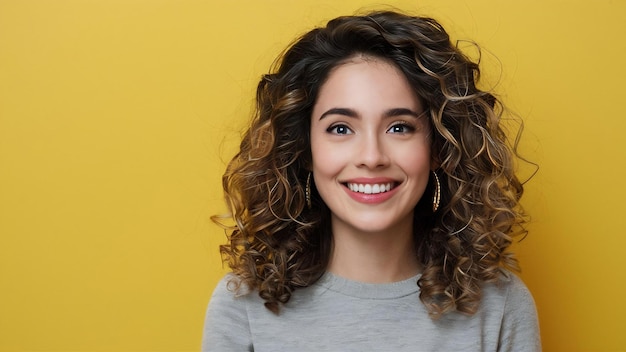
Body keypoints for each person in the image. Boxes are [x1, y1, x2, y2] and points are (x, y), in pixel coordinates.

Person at [202, 10, 540, 352]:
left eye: (399, 127)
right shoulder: (243, 307)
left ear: (440, 147)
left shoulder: (500, 307)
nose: (372, 156)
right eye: (340, 128)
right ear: (305, 149)